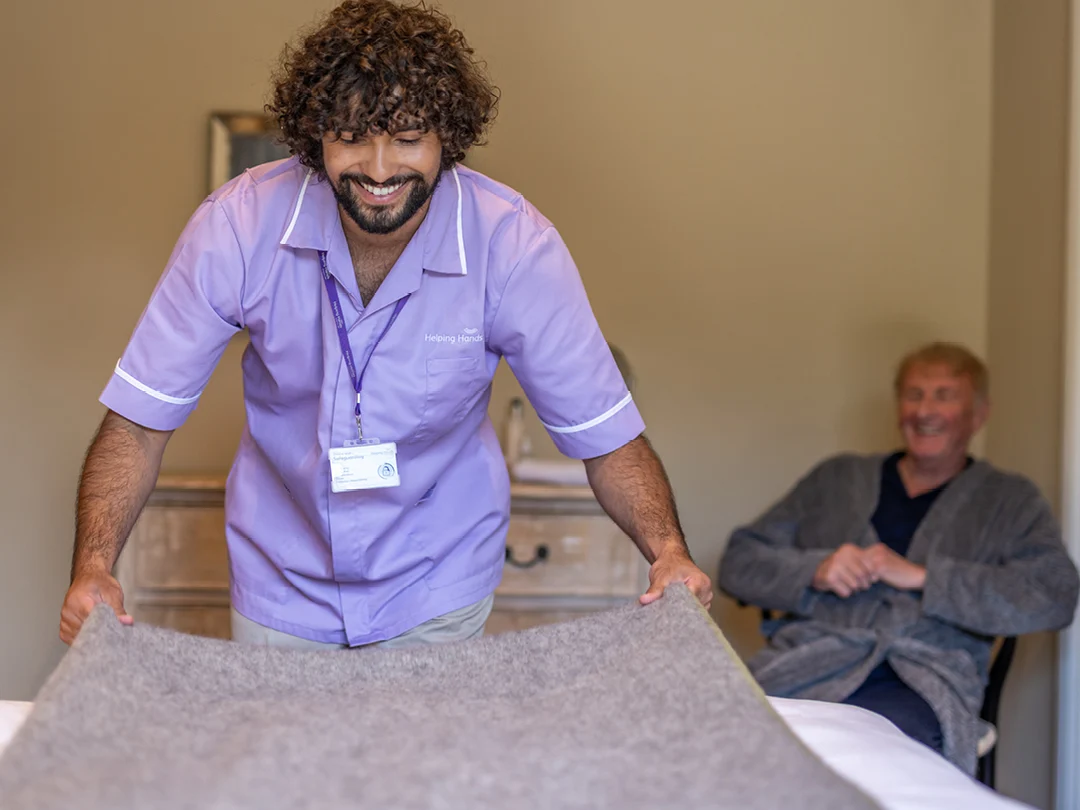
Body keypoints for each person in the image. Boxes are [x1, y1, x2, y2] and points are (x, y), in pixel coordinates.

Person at [59, 0, 711, 650]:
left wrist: (668, 552)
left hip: (438, 581)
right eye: (351, 136)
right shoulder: (237, 226)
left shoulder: (514, 247)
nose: (377, 169)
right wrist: (93, 568)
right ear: (314, 133)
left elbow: (606, 437)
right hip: (280, 580)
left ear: (447, 138)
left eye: (406, 138)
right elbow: (139, 423)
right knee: (284, 726)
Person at [717, 342, 1079, 774]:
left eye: (944, 395)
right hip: (806, 666)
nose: (925, 411)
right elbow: (739, 561)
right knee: (730, 748)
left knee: (868, 765)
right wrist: (814, 570)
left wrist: (926, 578)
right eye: (914, 394)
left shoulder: (1009, 500)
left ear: (979, 414)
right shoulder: (836, 479)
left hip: (924, 680)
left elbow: (1054, 593)